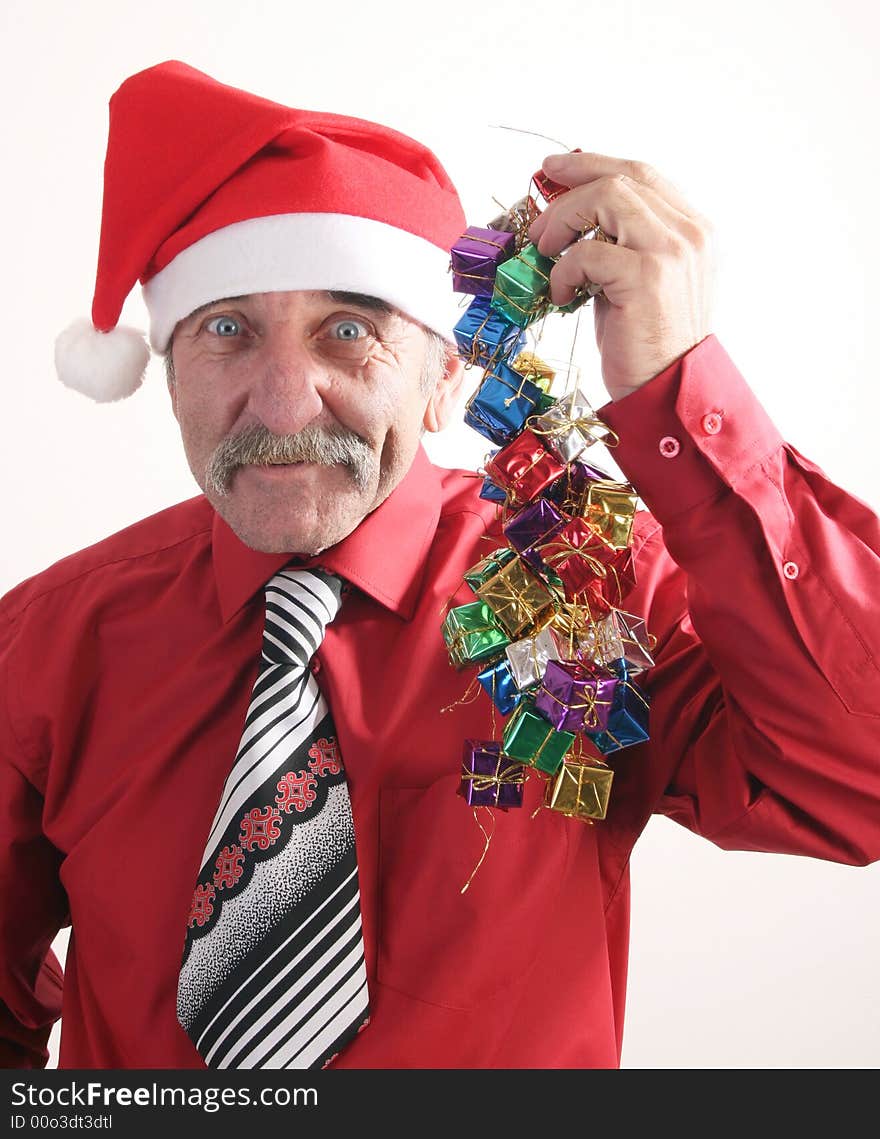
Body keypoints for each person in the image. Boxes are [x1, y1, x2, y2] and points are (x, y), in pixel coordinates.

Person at [1, 58, 878, 1070]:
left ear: (444, 373)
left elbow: (854, 777)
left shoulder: (586, 585)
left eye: (348, 330)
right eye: (226, 331)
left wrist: (676, 385)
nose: (284, 405)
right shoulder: (47, 642)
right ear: (164, 373)